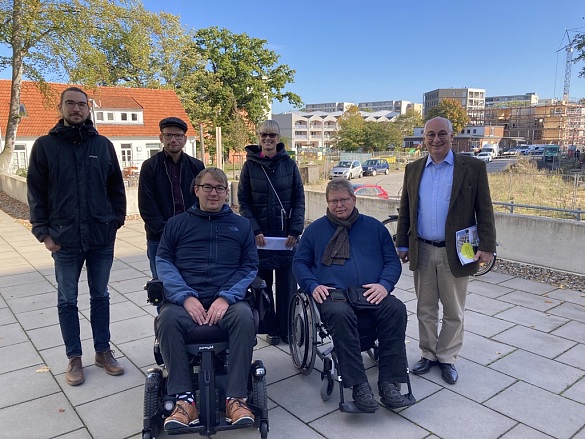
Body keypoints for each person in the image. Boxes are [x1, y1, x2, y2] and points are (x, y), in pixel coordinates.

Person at [27, 86, 127, 386]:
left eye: (81, 104)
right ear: (61, 108)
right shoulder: (45, 146)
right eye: (70, 104)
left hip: (100, 237)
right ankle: (74, 357)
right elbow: (36, 193)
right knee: (67, 300)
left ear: (88, 109)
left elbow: (116, 189)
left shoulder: (104, 145)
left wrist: (115, 222)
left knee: (101, 296)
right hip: (64, 238)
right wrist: (42, 232)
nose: (76, 109)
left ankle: (103, 351)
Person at [293, 178, 412, 412]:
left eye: (344, 200)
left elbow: (391, 261)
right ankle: (358, 385)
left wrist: (385, 285)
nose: (339, 205)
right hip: (333, 293)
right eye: (334, 201)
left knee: (396, 309)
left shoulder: (374, 227)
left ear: (354, 199)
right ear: (327, 203)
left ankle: (389, 381)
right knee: (339, 314)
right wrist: (312, 285)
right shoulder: (315, 231)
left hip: (371, 291)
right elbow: (300, 262)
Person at [155, 167, 259, 430]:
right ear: (196, 190)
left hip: (227, 301)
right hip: (184, 301)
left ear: (227, 193)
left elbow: (249, 266)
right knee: (166, 319)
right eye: (208, 187)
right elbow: (164, 262)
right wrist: (185, 297)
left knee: (245, 317)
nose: (214, 193)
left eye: (220, 188)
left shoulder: (241, 225)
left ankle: (236, 398)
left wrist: (226, 297)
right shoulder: (177, 224)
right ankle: (184, 400)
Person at [395, 116, 496, 385]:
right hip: (423, 249)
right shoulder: (413, 169)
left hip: (457, 251)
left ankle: (447, 357)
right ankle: (428, 353)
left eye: (442, 134)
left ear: (452, 137)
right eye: (430, 135)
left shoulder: (472, 168)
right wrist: (402, 244)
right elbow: (406, 209)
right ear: (424, 139)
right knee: (425, 308)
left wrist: (487, 246)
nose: (436, 140)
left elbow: (484, 209)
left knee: (454, 310)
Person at [237, 120, 305, 345]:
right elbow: (243, 201)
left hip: (286, 237)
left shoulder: (290, 165)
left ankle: (287, 328)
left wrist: (295, 230)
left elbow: (298, 199)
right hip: (260, 238)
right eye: (264, 135)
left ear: (278, 138)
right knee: (263, 288)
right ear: (258, 137)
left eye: (272, 136)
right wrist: (254, 228)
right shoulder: (249, 166)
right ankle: (271, 328)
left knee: (287, 286)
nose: (268, 139)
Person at [138, 117, 205, 279]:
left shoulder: (197, 166)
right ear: (161, 138)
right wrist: (166, 231)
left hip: (191, 236)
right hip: (159, 238)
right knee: (162, 286)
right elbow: (146, 205)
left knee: (192, 282)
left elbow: (202, 200)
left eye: (178, 136)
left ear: (185, 139)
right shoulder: (150, 166)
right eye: (168, 135)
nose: (173, 139)